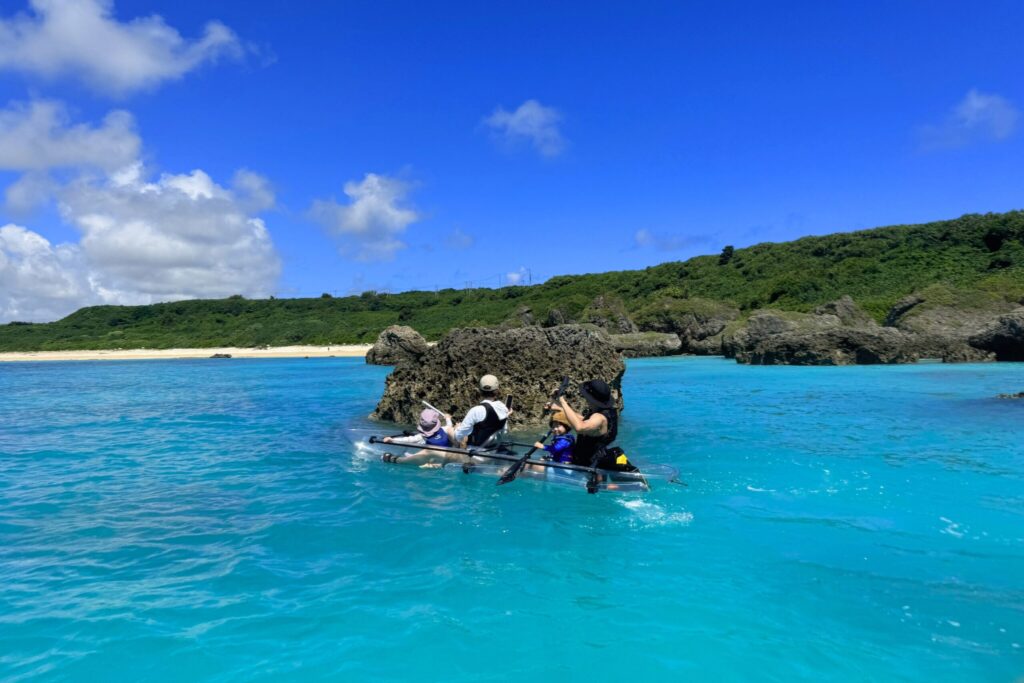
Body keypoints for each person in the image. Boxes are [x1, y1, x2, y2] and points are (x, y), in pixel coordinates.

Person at [549, 379, 631, 470]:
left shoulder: (599, 417)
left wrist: (563, 401)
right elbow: (582, 420)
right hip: (596, 460)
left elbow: (580, 427)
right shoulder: (606, 411)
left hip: (588, 467)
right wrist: (559, 405)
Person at [381, 409, 461, 466]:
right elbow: (408, 440)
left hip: (438, 460)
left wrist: (392, 440)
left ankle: (394, 458)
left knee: (425, 454)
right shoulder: (444, 430)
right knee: (425, 454)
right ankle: (397, 458)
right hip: (441, 459)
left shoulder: (443, 430)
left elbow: (409, 440)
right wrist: (392, 440)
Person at [454, 374, 510, 449]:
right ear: (497, 390)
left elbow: (458, 436)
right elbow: (504, 432)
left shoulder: (476, 410)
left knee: (450, 431)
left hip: (477, 453)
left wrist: (457, 428)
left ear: (480, 391)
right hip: (494, 450)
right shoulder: (504, 408)